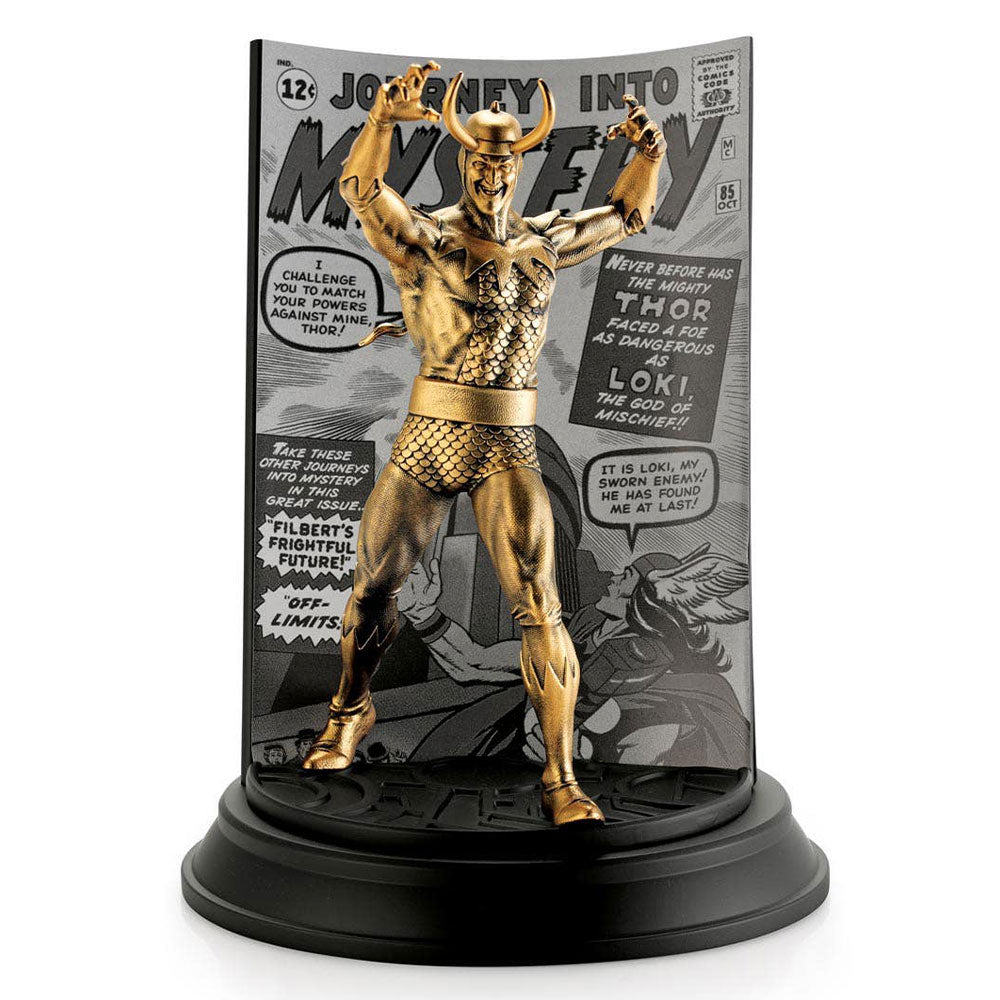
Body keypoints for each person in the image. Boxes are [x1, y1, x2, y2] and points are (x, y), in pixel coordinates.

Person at [304, 60, 666, 826]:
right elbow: (362, 191)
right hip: (431, 434)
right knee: (374, 589)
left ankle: (561, 778)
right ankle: (348, 711)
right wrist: (381, 121)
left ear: (519, 166)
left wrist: (649, 154)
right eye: (480, 162)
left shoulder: (545, 241)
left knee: (540, 604)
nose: (493, 175)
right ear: (463, 162)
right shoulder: (427, 238)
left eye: (505, 164)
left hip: (507, 440)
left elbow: (627, 216)